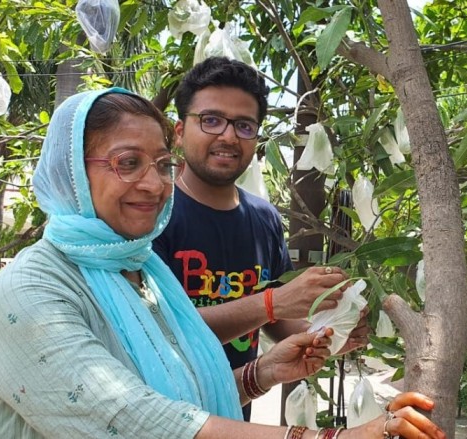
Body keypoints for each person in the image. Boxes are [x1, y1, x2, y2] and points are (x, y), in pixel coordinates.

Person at [0, 88, 445, 439]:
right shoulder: (29, 292)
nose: (153, 184)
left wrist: (258, 374)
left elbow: (171, 385)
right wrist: (337, 436)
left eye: (161, 165)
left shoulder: (143, 270)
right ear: (74, 173)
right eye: (126, 163)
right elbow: (130, 418)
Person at [153, 57, 369, 420]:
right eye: (211, 120)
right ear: (178, 131)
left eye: (244, 125)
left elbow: (276, 324)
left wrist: (331, 331)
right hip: (165, 416)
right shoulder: (154, 215)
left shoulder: (263, 218)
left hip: (237, 410)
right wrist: (272, 302)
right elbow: (161, 330)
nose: (228, 136)